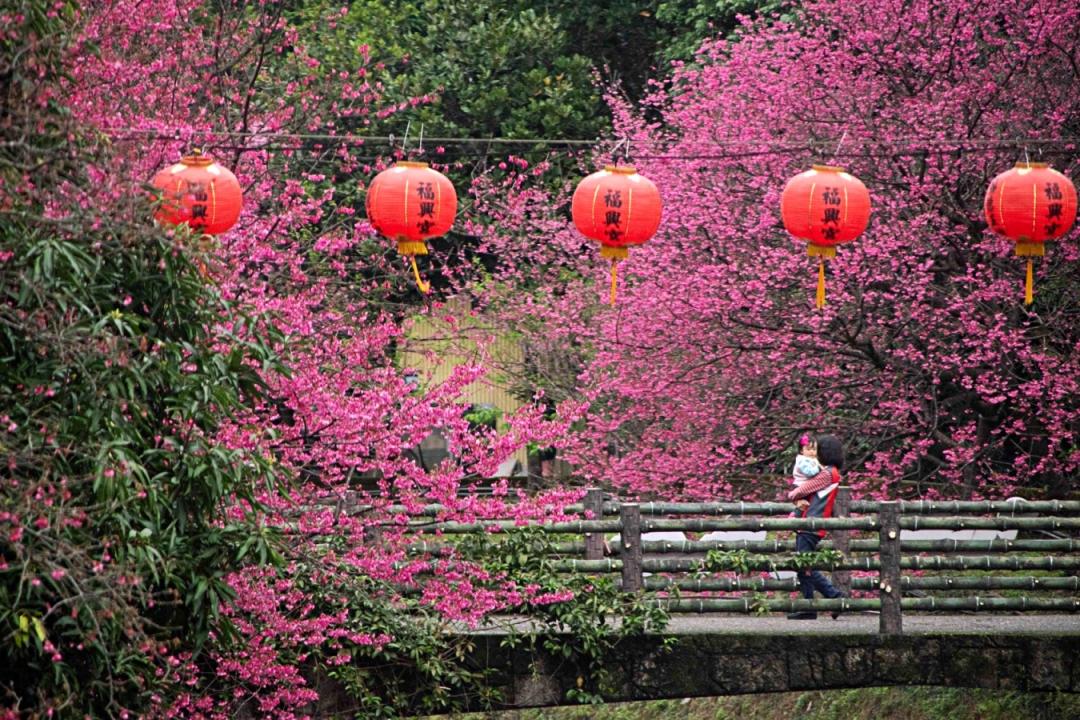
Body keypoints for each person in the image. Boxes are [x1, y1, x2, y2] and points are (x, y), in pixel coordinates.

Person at [786, 433, 846, 620]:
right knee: (803, 565)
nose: (814, 453)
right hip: (811, 523)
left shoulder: (827, 474)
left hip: (811, 523)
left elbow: (799, 491)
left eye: (817, 450)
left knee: (804, 565)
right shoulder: (830, 472)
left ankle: (835, 597)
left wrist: (793, 496)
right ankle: (809, 606)